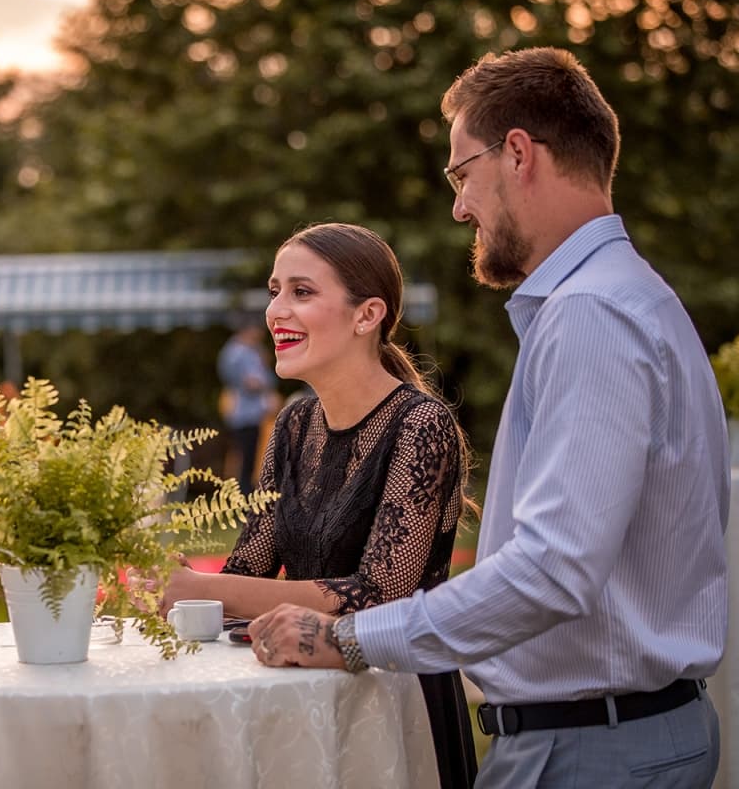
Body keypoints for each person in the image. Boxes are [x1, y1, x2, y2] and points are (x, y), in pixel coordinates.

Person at [248, 47, 728, 788]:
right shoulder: (632, 298)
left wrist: (349, 639)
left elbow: (554, 569)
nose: (459, 206)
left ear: (518, 154)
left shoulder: (591, 315)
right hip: (614, 737)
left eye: (461, 174)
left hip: (592, 751)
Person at [160, 222, 480, 788]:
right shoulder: (292, 425)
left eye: (301, 292)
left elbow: (379, 595)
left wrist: (203, 589)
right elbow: (249, 569)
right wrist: (169, 583)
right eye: (274, 290)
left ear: (367, 314)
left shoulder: (422, 426)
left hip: (397, 709)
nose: (276, 310)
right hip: (306, 704)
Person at [217, 317, 277, 494]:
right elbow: (251, 382)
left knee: (253, 461)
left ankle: (250, 499)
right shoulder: (236, 353)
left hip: (257, 415)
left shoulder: (254, 350)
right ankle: (244, 502)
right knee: (245, 462)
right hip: (244, 415)